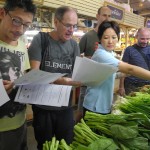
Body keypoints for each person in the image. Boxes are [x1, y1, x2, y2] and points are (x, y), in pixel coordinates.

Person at [28, 6, 81, 150]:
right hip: (43, 108)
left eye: (74, 26)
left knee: (66, 145)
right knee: (45, 145)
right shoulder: (41, 40)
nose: (71, 30)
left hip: (65, 107)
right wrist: (60, 81)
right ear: (56, 22)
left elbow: (76, 75)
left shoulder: (74, 46)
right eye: (68, 25)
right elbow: (34, 74)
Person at [83, 20, 150, 115]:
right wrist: (129, 72)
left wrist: (123, 74)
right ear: (100, 38)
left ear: (118, 38)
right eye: (106, 38)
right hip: (95, 104)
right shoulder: (101, 54)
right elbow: (130, 68)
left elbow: (107, 74)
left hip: (102, 103)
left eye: (114, 37)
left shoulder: (109, 53)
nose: (110, 41)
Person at [0, 0, 36, 150]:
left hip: (20, 122)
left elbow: (23, 74)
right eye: (16, 21)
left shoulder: (21, 42)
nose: (21, 30)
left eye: (26, 25)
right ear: (2, 14)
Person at [76, 6, 112, 121]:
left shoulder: (109, 37)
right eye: (104, 15)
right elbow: (75, 57)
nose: (107, 18)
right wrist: (89, 59)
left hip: (103, 85)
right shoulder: (88, 36)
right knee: (82, 114)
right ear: (97, 16)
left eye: (109, 16)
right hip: (88, 84)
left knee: (100, 118)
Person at [119, 27, 150, 96]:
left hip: (148, 84)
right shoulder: (129, 50)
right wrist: (121, 86)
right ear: (136, 36)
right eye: (142, 39)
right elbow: (123, 69)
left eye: (147, 39)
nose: (145, 41)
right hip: (131, 85)